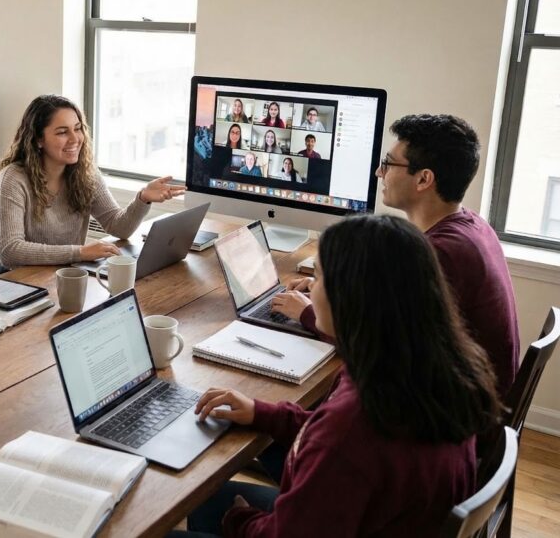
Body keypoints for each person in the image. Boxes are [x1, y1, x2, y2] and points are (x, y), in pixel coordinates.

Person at [174, 215, 501, 538]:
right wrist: (263, 413)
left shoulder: (354, 428)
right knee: (206, 498)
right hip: (382, 520)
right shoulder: (424, 370)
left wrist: (238, 519)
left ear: (350, 297)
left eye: (318, 278)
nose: (311, 290)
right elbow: (328, 435)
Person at [273, 114, 520, 396]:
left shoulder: (441, 253)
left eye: (388, 164)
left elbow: (378, 345)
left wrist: (307, 312)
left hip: (454, 419)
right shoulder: (472, 225)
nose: (379, 172)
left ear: (424, 179)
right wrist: (330, 291)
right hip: (465, 398)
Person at [0, 94, 183, 274]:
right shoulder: (13, 179)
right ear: (38, 140)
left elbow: (119, 226)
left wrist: (143, 198)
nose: (75, 139)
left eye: (78, 129)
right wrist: (80, 252)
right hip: (9, 276)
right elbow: (9, 250)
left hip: (59, 271)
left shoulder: (84, 173)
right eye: (62, 132)